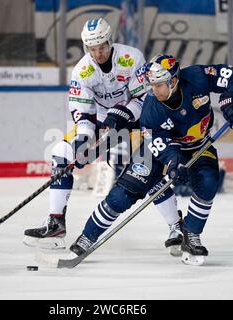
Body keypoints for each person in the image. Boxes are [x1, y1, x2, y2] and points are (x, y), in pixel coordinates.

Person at [67, 54, 233, 266]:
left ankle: (190, 234)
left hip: (198, 146)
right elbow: (157, 143)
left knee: (209, 182)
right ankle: (87, 236)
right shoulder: (151, 108)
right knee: (122, 195)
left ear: (173, 80)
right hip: (158, 150)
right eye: (151, 84)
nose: (154, 90)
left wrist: (232, 98)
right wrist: (174, 162)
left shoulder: (197, 76)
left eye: (159, 85)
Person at [23, 18, 181, 251]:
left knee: (146, 169)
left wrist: (122, 114)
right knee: (61, 153)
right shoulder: (82, 71)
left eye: (102, 47)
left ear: (110, 41)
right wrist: (83, 141)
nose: (98, 53)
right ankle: (56, 222)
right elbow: (83, 113)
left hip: (138, 119)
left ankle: (176, 226)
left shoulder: (131, 58)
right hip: (102, 122)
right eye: (92, 49)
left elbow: (143, 99)